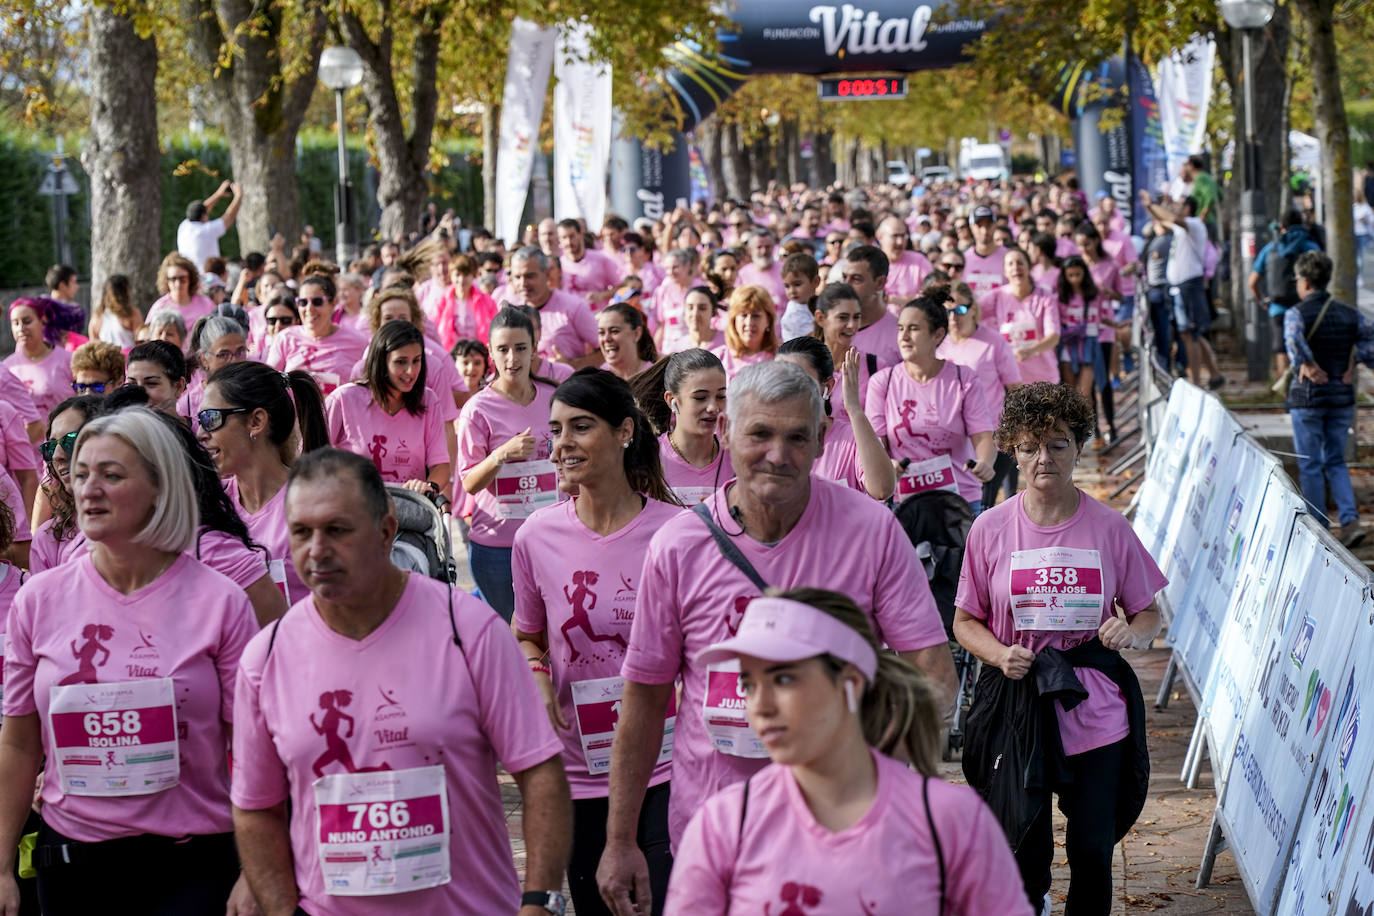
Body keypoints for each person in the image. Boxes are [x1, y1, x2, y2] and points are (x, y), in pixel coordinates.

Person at [597, 361, 956, 915]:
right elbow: (643, 704)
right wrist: (620, 841)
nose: (777, 454)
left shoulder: (871, 529)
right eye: (759, 433)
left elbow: (934, 676)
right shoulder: (679, 545)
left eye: (796, 437)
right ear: (725, 433)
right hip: (716, 834)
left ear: (819, 442)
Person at [231, 448, 573, 916]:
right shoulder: (265, 657)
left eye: (337, 530)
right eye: (301, 532)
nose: (316, 550)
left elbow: (540, 774)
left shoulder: (468, 630)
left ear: (386, 530)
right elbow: (255, 808)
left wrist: (539, 902)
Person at [0, 407, 259, 913]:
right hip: (73, 868)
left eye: (111, 475)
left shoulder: (221, 601)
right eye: (80, 475)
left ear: (160, 486)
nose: (89, 488)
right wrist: (0, 864)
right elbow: (18, 742)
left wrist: (257, 868)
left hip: (194, 868)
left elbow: (255, 747)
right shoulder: (38, 600)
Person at [666, 588, 1033, 916]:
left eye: (782, 679)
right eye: (748, 682)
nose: (759, 705)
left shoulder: (951, 822)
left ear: (850, 683)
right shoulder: (724, 824)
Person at [954, 382, 1164, 914]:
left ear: (1079, 446)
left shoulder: (1111, 528)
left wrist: (1132, 632)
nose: (1043, 457)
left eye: (1058, 444)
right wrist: (999, 654)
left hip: (1092, 710)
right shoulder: (990, 528)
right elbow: (964, 621)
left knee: (1092, 849)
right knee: (1022, 845)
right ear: (1013, 452)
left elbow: (1148, 611)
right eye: (1029, 446)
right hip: (1017, 703)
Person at [512, 370, 680, 916]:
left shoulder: (678, 534)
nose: (562, 444)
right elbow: (527, 637)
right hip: (580, 771)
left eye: (580, 427)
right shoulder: (535, 536)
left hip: (666, 762)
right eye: (556, 430)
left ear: (624, 431)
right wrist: (536, 678)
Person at [457, 307, 560, 622]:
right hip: (499, 546)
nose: (512, 358)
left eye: (520, 348)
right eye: (503, 349)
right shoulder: (478, 409)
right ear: (490, 353)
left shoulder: (554, 397)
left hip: (553, 537)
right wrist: (500, 455)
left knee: (555, 636)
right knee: (510, 640)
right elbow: (469, 482)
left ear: (534, 348)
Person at [198, 360, 329, 605]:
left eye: (211, 419)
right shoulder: (211, 506)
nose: (201, 433)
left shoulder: (314, 504)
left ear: (256, 421)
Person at [865, 296, 996, 514]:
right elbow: (876, 444)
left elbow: (983, 436)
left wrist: (984, 462)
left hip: (959, 501)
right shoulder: (882, 382)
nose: (904, 337)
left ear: (938, 334)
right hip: (904, 503)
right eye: (900, 329)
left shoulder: (964, 379)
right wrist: (887, 464)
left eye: (914, 329)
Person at [1283, 250, 1374, 547]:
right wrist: (1356, 360)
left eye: (1297, 278)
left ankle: (1318, 526)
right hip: (1340, 397)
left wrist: (1306, 363)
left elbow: (1293, 339)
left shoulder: (1296, 313)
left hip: (1307, 398)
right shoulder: (1349, 313)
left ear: (1306, 282)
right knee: (1335, 459)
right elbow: (1369, 339)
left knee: (1309, 463)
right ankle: (1350, 521)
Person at [327, 320, 450, 493]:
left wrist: (430, 486)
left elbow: (441, 466)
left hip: (409, 512)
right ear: (381, 361)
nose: (411, 371)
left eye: (417, 361)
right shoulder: (343, 399)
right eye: (401, 362)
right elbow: (309, 457)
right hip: (353, 508)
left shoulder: (428, 400)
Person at [935, 281, 1022, 507]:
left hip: (990, 437)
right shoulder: (938, 343)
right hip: (951, 440)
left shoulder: (993, 342)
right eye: (948, 311)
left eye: (960, 310)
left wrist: (1011, 432)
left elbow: (1015, 389)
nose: (954, 317)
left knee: (983, 503)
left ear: (973, 308)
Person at [777, 337, 894, 501]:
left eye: (799, 379)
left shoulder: (853, 437)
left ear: (827, 387)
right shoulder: (769, 441)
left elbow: (882, 488)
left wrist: (854, 409)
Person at [1143, 193, 1224, 389]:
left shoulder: (1194, 224)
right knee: (1189, 333)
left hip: (1189, 287)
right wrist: (1150, 206)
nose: (1174, 207)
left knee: (1191, 333)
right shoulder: (1181, 228)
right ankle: (1214, 375)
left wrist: (1153, 203)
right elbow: (1162, 219)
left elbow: (1169, 218)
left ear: (1187, 208)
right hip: (1181, 287)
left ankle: (1196, 381)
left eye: (1179, 205)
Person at [633, 349, 729, 506]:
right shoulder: (648, 460)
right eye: (700, 398)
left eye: (720, 396)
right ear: (672, 400)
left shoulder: (737, 457)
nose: (713, 407)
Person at [30, 396, 104, 572]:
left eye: (70, 441)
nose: (57, 456)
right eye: (50, 446)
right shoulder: (47, 538)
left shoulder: (143, 521)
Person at [266, 274, 368, 397]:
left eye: (317, 301)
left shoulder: (358, 341)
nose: (309, 308)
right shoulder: (285, 338)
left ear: (333, 303)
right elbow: (269, 383)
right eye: (303, 302)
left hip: (340, 414)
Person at [1250, 210, 1322, 377]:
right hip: (1306, 308)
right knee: (1309, 347)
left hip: (1278, 307)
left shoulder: (1270, 248)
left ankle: (1286, 391)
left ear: (1281, 227)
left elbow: (1252, 282)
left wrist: (1261, 300)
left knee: (1281, 350)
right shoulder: (1310, 246)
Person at [506, 247, 601, 366]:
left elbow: (604, 352)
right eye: (517, 277)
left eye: (530, 276)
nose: (523, 283)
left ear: (547, 274)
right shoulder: (511, 312)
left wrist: (570, 366)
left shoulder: (574, 306)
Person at [981, 247, 1062, 385]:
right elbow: (972, 313)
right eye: (1010, 264)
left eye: (1020, 263)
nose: (1016, 267)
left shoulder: (1045, 297)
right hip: (1010, 381)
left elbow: (1054, 336)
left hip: (1044, 379)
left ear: (1029, 267)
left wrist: (1030, 351)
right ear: (1005, 272)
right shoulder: (996, 297)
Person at [5, 297, 79, 417]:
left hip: (65, 435)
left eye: (27, 321)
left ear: (42, 321)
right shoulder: (7, 368)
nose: (21, 328)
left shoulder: (69, 361)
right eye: (16, 323)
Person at [1054, 256, 1106, 403]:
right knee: (1070, 393)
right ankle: (1073, 425)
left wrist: (1115, 326)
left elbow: (1103, 316)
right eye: (1070, 275)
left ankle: (1087, 425)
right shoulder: (1059, 297)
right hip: (1068, 345)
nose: (1075, 279)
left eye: (1078, 274)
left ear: (1085, 273)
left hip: (1090, 344)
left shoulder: (1096, 294)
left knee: (1084, 392)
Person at [838, 246, 900, 366]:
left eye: (856, 279)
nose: (846, 285)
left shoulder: (900, 336)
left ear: (880, 283)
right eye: (844, 277)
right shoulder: (831, 328)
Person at [712, 285, 777, 382]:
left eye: (756, 316)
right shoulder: (718, 358)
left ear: (768, 320)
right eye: (744, 315)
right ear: (734, 321)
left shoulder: (780, 358)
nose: (749, 322)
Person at [177, 179, 243, 270]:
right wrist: (238, 196)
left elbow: (200, 210)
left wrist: (218, 194)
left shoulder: (184, 226)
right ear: (204, 216)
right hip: (207, 278)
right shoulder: (207, 230)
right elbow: (229, 216)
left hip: (190, 275)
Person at [436, 253, 499, 349]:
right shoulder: (442, 302)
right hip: (452, 355)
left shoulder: (487, 301)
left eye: (466, 275)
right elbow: (434, 330)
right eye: (457, 275)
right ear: (451, 276)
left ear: (473, 276)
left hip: (480, 354)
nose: (461, 280)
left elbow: (496, 329)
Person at [649, 249, 705, 353]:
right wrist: (654, 351)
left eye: (675, 267)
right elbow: (662, 325)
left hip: (694, 345)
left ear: (687, 266)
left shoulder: (700, 288)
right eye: (667, 268)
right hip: (669, 346)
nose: (671, 272)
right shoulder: (663, 290)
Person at [149, 253, 218, 335]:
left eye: (183, 279)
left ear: (190, 279)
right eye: (173, 279)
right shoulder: (159, 307)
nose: (178, 284)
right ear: (166, 281)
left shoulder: (206, 303)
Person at [559, 219, 622, 303]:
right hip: (570, 314)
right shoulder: (558, 264)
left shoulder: (601, 259)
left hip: (597, 314)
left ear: (580, 234)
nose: (569, 242)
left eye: (572, 236)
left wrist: (601, 295)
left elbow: (620, 288)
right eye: (564, 237)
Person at [878, 214, 933, 304]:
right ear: (880, 237)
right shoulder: (871, 262)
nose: (900, 242)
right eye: (895, 236)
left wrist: (899, 301)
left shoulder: (919, 261)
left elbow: (933, 293)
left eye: (903, 236)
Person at [126, 340, 189, 415]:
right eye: (132, 384)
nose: (138, 393)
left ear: (178, 387)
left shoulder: (197, 426)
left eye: (151, 383)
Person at [598, 303, 658, 381]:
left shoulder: (654, 378)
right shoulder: (598, 379)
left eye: (614, 331)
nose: (606, 338)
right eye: (601, 333)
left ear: (636, 334)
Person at [659, 286, 723, 355]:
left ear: (713, 311)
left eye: (702, 308)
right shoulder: (678, 348)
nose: (695, 314)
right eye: (690, 308)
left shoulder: (726, 342)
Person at [962, 206, 1009, 299]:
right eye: (979, 226)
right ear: (971, 227)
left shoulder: (1008, 257)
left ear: (995, 225)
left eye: (988, 225)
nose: (984, 231)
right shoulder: (963, 259)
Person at [89, 274, 143, 348]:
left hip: (105, 357)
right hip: (128, 357)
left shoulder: (97, 315)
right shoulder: (132, 313)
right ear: (125, 292)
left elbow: (93, 341)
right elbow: (141, 341)